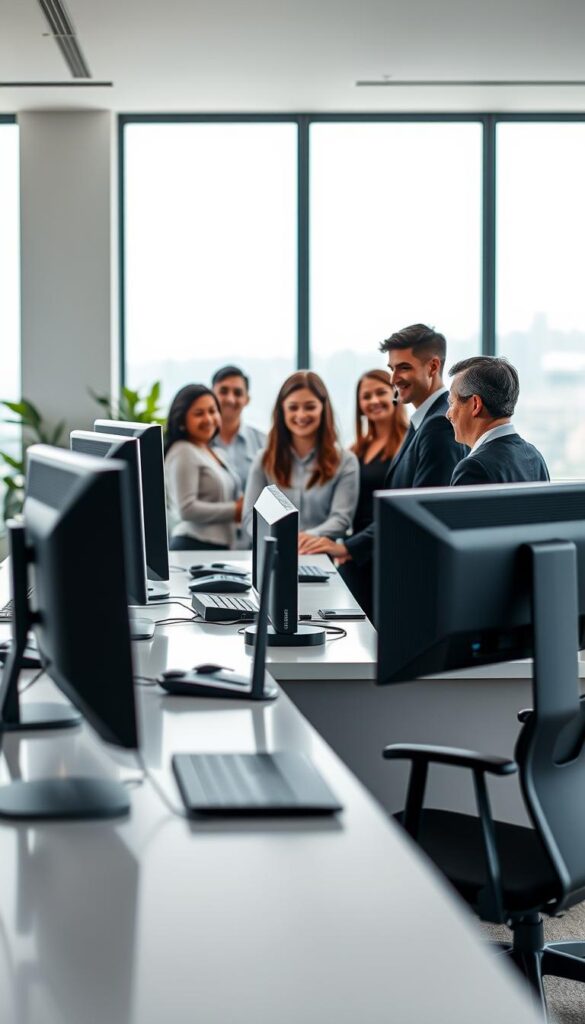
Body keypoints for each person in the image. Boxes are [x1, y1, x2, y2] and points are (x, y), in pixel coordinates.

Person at [304, 324, 466, 619]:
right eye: (391, 368)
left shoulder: (439, 425)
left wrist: (347, 547)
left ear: (433, 366)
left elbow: (420, 510)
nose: (394, 379)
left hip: (412, 579)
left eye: (403, 368)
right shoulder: (422, 420)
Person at [242, 371, 359, 549]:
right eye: (293, 407)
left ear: (323, 408)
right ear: (282, 411)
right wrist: (273, 539)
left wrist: (304, 538)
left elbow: (341, 519)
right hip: (271, 554)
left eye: (310, 407)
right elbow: (250, 515)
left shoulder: (346, 461)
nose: (301, 415)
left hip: (317, 556)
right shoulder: (263, 460)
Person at [447, 355, 550, 485]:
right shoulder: (534, 456)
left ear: (475, 404)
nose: (448, 414)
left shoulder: (473, 468)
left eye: (451, 403)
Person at [164, 384, 242, 551]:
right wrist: (235, 510)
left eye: (212, 411)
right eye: (199, 414)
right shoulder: (182, 451)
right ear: (182, 420)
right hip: (193, 545)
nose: (208, 419)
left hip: (220, 547)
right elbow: (186, 509)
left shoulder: (216, 452)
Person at [350, 369, 409, 536]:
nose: (374, 401)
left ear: (395, 394)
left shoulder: (409, 443)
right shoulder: (356, 450)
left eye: (381, 392)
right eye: (366, 396)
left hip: (389, 541)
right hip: (355, 546)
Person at [210, 365, 266, 491]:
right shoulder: (197, 444)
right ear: (211, 395)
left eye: (238, 393)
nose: (230, 399)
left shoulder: (264, 442)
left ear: (247, 399)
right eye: (223, 391)